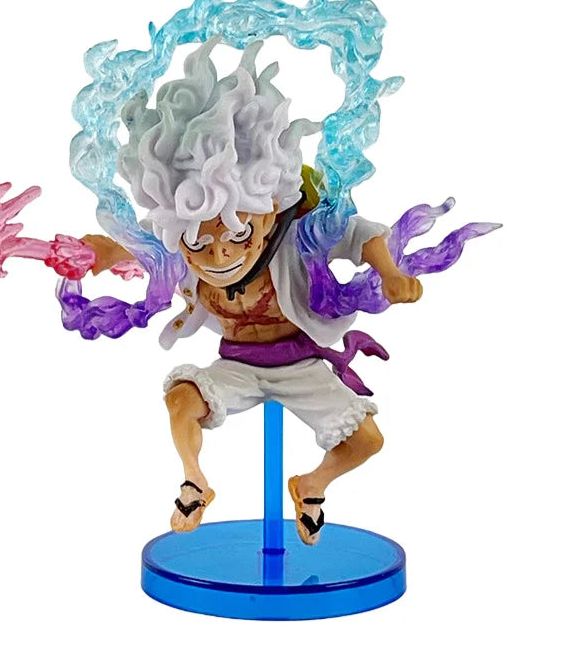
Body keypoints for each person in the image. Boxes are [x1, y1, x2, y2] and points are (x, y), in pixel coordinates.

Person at [84, 39, 421, 545]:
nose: (219, 254)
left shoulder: (297, 234)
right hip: (236, 364)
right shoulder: (177, 237)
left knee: (367, 440)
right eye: (200, 243)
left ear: (267, 216)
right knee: (180, 399)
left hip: (301, 364)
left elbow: (360, 233)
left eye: (238, 234)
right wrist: (99, 252)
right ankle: (195, 482)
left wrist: (390, 273)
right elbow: (136, 247)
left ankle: (311, 486)